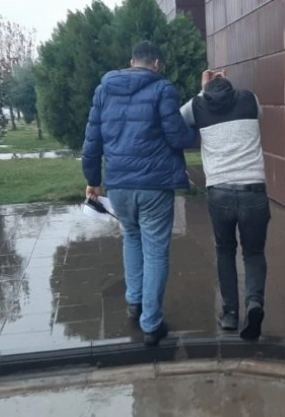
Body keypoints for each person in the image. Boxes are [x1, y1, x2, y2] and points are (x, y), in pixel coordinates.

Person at [81, 41, 195, 346]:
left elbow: (91, 140)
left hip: (118, 185)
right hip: (155, 186)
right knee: (155, 251)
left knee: (131, 238)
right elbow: (177, 137)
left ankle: (135, 303)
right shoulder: (162, 89)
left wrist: (93, 180)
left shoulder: (103, 90)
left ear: (132, 62)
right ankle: (151, 324)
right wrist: (195, 131)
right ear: (157, 64)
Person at [180, 70, 270, 340]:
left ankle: (230, 313)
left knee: (225, 251)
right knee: (253, 253)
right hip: (254, 191)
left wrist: (202, 89)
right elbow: (260, 116)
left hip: (219, 193)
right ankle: (254, 302)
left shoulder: (196, 105)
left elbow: (179, 119)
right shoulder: (250, 99)